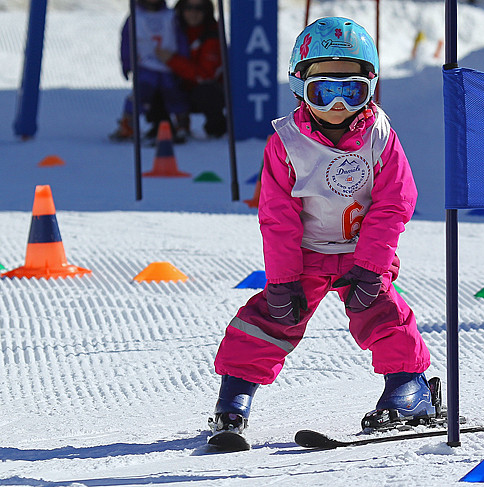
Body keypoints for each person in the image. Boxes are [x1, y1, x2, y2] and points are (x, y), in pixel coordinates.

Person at [209, 17, 434, 442]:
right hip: (307, 252)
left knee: (382, 312)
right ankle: (236, 393)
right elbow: (278, 217)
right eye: (323, 90)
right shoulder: (287, 142)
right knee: (270, 319)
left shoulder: (380, 137)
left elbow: (394, 203)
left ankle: (409, 385)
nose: (337, 104)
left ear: (370, 87)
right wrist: (282, 281)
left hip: (359, 250)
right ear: (301, 88)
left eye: (351, 91)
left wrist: (371, 266)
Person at [109, 0, 191, 144]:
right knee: (142, 92)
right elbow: (127, 41)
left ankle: (181, 121)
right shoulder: (135, 16)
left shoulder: (171, 16)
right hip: (144, 64)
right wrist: (127, 63)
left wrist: (182, 60)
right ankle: (129, 122)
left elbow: (181, 38)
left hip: (168, 64)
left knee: (173, 91)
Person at [152, 0, 227, 139]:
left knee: (207, 90)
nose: (193, 13)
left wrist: (171, 60)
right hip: (177, 87)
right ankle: (162, 128)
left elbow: (205, 75)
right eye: (188, 8)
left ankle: (217, 128)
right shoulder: (171, 29)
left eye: (199, 8)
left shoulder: (212, 35)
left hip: (202, 91)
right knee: (153, 85)